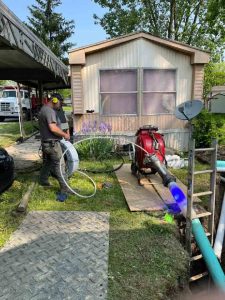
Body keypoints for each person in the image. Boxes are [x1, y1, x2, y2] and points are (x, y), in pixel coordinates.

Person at [38, 94, 71, 195]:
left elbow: (62, 122)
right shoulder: (49, 111)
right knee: (59, 165)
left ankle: (43, 180)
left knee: (48, 162)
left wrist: (66, 131)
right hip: (52, 144)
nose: (60, 106)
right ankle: (65, 188)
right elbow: (53, 128)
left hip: (46, 143)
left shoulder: (44, 109)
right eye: (60, 104)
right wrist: (64, 135)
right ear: (55, 100)